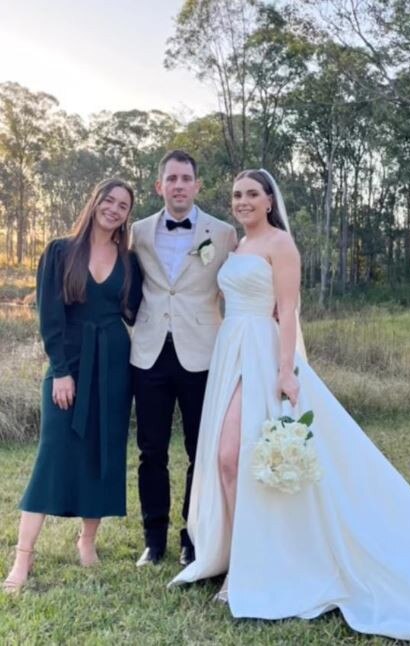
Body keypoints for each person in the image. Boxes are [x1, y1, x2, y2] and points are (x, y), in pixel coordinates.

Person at [171, 169, 410, 645]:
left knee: (235, 459)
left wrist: (284, 370)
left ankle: (251, 570)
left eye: (252, 194)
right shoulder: (231, 246)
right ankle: (236, 558)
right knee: (229, 463)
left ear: (270, 200)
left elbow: (289, 310)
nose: (243, 201)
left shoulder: (281, 245)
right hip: (228, 352)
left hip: (261, 353)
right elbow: (214, 298)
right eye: (236, 195)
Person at [2, 178, 142, 594]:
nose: (114, 209)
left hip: (115, 364)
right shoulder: (61, 250)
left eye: (123, 205)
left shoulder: (129, 259)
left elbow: (136, 311)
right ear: (94, 200)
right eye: (109, 200)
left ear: (127, 215)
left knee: (103, 449)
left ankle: (88, 543)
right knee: (53, 453)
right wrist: (61, 370)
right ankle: (22, 558)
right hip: (71, 362)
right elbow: (49, 316)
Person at [130, 150, 237, 567]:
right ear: (159, 186)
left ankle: (193, 539)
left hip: (203, 354)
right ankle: (153, 542)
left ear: (197, 185)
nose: (178, 185)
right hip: (149, 353)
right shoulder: (137, 231)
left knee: (201, 450)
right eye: (171, 178)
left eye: (185, 178)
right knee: (150, 451)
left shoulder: (224, 233)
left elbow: (249, 275)